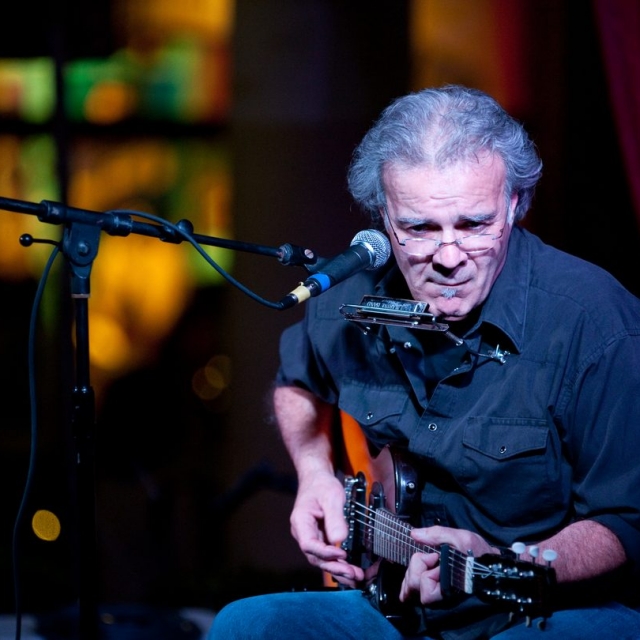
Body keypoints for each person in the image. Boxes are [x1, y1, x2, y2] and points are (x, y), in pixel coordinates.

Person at [207, 85, 640, 639]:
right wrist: (315, 475)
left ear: (512, 204)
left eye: (474, 225)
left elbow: (624, 523)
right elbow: (298, 378)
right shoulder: (352, 297)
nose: (450, 257)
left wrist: (497, 562)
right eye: (419, 229)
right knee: (247, 626)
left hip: (550, 610)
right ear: (384, 220)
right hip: (397, 607)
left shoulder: (595, 322)